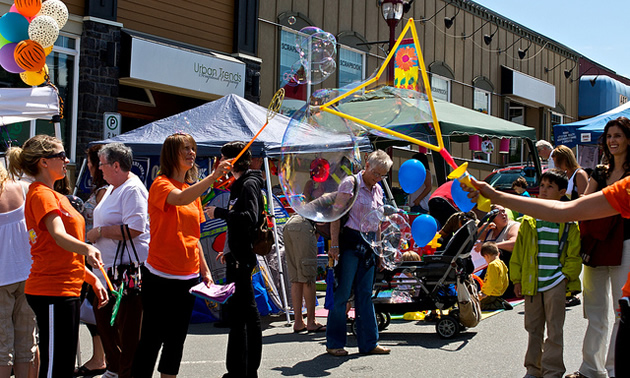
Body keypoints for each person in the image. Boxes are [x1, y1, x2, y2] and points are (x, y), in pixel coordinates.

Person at [6, 135, 108, 378]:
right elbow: (58, 235)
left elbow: (61, 251)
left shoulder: (56, 195)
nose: (66, 160)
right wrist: (88, 248)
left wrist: (91, 279)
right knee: (55, 368)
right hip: (51, 289)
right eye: (61, 155)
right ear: (43, 162)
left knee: (61, 365)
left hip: (66, 288)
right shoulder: (41, 194)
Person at [132, 133, 231, 378]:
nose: (191, 153)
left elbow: (194, 236)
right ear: (171, 154)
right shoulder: (161, 184)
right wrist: (213, 177)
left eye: (193, 148)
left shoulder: (192, 190)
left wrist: (205, 270)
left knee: (176, 340)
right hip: (159, 275)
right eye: (185, 148)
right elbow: (178, 199)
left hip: (187, 277)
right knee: (151, 338)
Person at [566, 117, 630, 378]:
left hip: (624, 244)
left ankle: (615, 369)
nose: (612, 141)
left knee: (620, 311)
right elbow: (584, 203)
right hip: (596, 245)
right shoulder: (599, 172)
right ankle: (591, 369)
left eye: (618, 135)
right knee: (594, 311)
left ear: (628, 138)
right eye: (609, 136)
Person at [82, 143, 149, 378]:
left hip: (125, 269)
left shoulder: (132, 189)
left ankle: (125, 371)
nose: (99, 169)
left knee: (127, 326)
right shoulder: (113, 187)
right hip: (108, 268)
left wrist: (99, 233)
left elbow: (135, 228)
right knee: (105, 320)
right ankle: (114, 366)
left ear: (116, 165)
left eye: (102, 164)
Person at [511, 168, 582, 378]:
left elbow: (574, 253)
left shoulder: (569, 221)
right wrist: (517, 278)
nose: (543, 190)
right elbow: (519, 253)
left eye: (550, 186)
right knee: (533, 329)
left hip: (555, 282)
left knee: (554, 330)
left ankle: (553, 371)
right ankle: (533, 369)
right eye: (542, 185)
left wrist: (566, 276)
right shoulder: (529, 220)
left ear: (562, 191)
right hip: (532, 282)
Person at [326, 150, 393, 357]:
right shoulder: (350, 184)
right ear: (367, 166)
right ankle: (334, 343)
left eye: (382, 175)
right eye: (376, 174)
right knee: (343, 294)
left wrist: (380, 250)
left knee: (365, 296)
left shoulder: (378, 189)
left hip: (370, 245)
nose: (378, 178)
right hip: (351, 242)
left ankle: (369, 343)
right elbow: (336, 215)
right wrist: (334, 245)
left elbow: (378, 221)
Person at [205, 141, 264, 378]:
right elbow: (239, 224)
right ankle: (237, 368)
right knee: (238, 314)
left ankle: (249, 369)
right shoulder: (240, 184)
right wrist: (228, 248)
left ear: (232, 161)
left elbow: (248, 217)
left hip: (243, 258)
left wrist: (218, 213)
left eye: (222, 158)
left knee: (247, 313)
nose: (219, 162)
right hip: (236, 254)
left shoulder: (248, 184)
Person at [0, 164, 37, 378]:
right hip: (27, 274)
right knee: (26, 342)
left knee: (2, 346)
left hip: (3, 279)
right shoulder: (24, 188)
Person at [75, 144, 108, 377]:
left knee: (96, 310)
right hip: (90, 255)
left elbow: (103, 224)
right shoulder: (98, 189)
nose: (87, 165)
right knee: (92, 313)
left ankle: (102, 359)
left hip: (97, 257)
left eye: (89, 161)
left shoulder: (104, 190)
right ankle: (99, 358)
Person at [283, 214, 326, 334]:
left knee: (296, 278)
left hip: (291, 222)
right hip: (305, 225)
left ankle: (298, 322)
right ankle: (311, 322)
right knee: (308, 278)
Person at [478, 242, 512, 311]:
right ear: (498, 254)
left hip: (491, 294)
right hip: (498, 293)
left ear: (486, 256)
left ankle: (499, 304)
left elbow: (491, 281)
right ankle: (498, 301)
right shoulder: (502, 263)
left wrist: (485, 293)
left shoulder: (492, 265)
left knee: (477, 306)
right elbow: (506, 279)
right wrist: (502, 290)